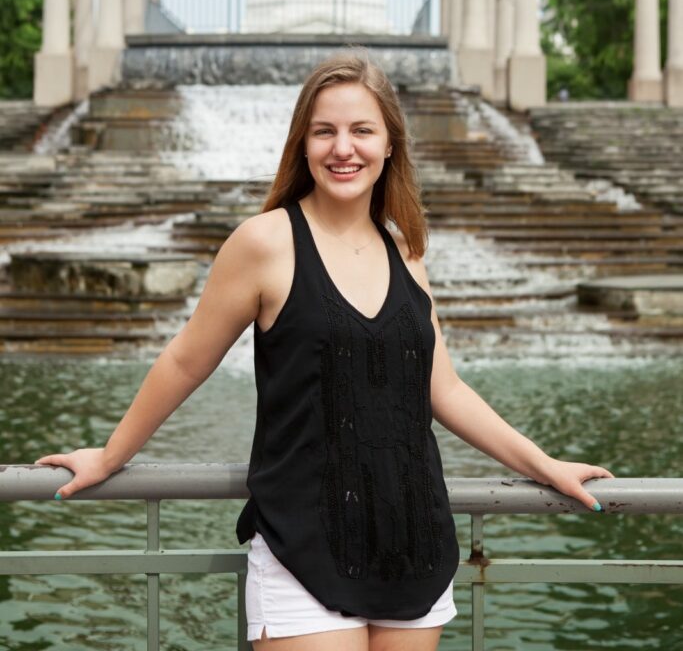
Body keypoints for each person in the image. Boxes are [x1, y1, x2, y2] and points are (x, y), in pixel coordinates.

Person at [35, 50, 614, 650]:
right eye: (325, 131)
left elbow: (444, 390)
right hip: (301, 545)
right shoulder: (264, 242)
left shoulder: (407, 251)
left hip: (411, 538)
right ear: (302, 145)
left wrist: (545, 466)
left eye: (362, 130)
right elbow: (186, 361)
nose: (344, 148)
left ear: (390, 144)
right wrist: (110, 456)